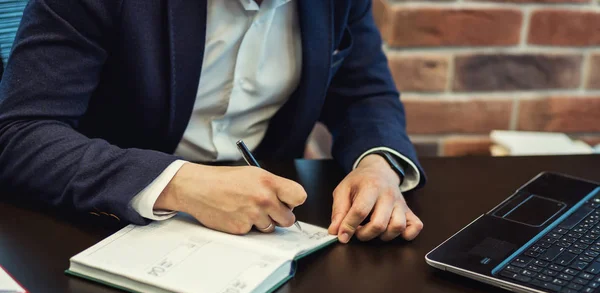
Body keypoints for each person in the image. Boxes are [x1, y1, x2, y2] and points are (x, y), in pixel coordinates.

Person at [0, 0, 425, 244]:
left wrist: (378, 166)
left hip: (268, 234)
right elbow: (21, 133)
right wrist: (181, 184)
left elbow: (365, 92)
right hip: (101, 224)